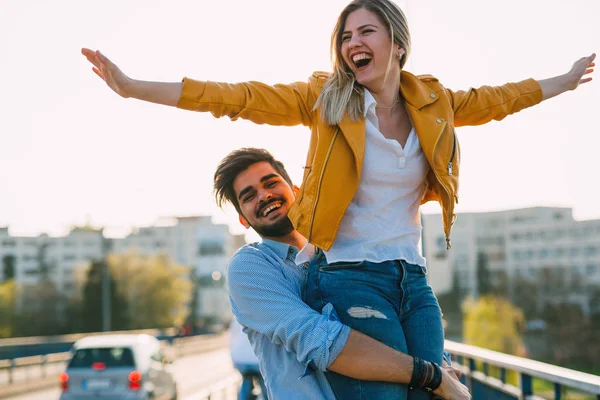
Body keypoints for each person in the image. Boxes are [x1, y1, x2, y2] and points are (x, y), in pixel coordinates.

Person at [81, 1, 594, 398]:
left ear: (397, 42)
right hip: (351, 275)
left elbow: (499, 100)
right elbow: (235, 97)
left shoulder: (435, 103)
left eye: (365, 31)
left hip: (413, 279)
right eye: (345, 37)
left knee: (439, 394)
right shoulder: (326, 100)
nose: (353, 44)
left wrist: (566, 81)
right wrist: (133, 88)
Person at [213, 147, 468, 400]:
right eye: (248, 196)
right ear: (243, 220)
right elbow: (319, 339)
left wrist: (439, 360)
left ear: (298, 191)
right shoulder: (251, 266)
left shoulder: (342, 250)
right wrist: (431, 375)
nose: (264, 196)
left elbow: (395, 303)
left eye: (270, 183)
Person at [229, 315, 268, 400]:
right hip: (257, 360)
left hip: (240, 359)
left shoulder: (237, 314)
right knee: (265, 383)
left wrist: (232, 358)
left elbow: (231, 337)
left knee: (246, 379)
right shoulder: (261, 314)